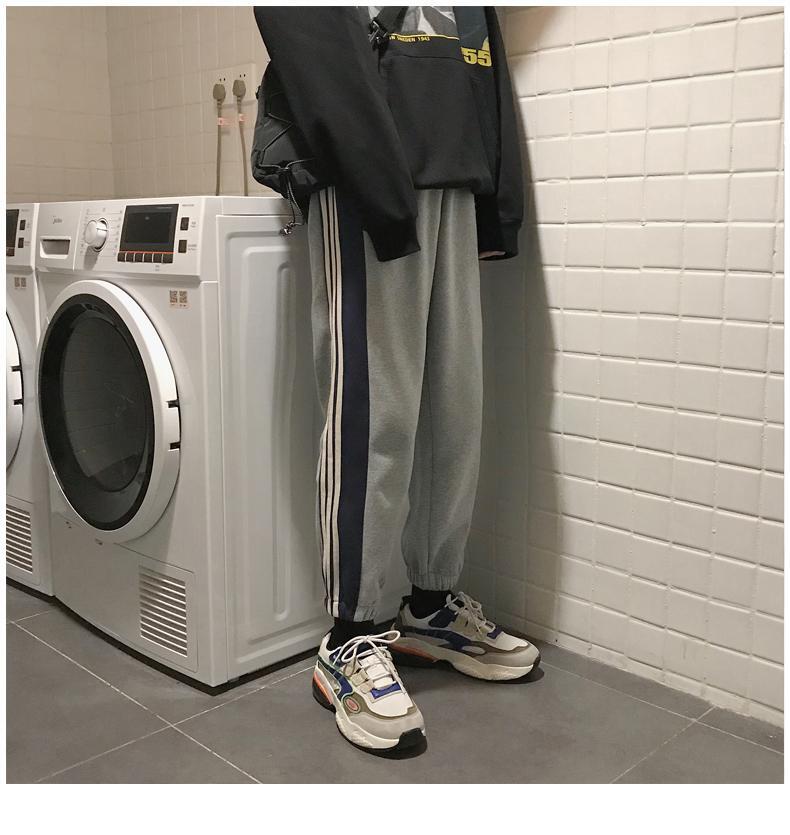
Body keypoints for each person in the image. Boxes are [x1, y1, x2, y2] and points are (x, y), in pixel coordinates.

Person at [254, 5, 540, 754]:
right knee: (373, 415)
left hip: (453, 177)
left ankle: (430, 605)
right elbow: (313, 41)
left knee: (455, 409)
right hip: (363, 174)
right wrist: (375, 186)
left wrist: (498, 211)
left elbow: (485, 73)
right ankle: (349, 636)